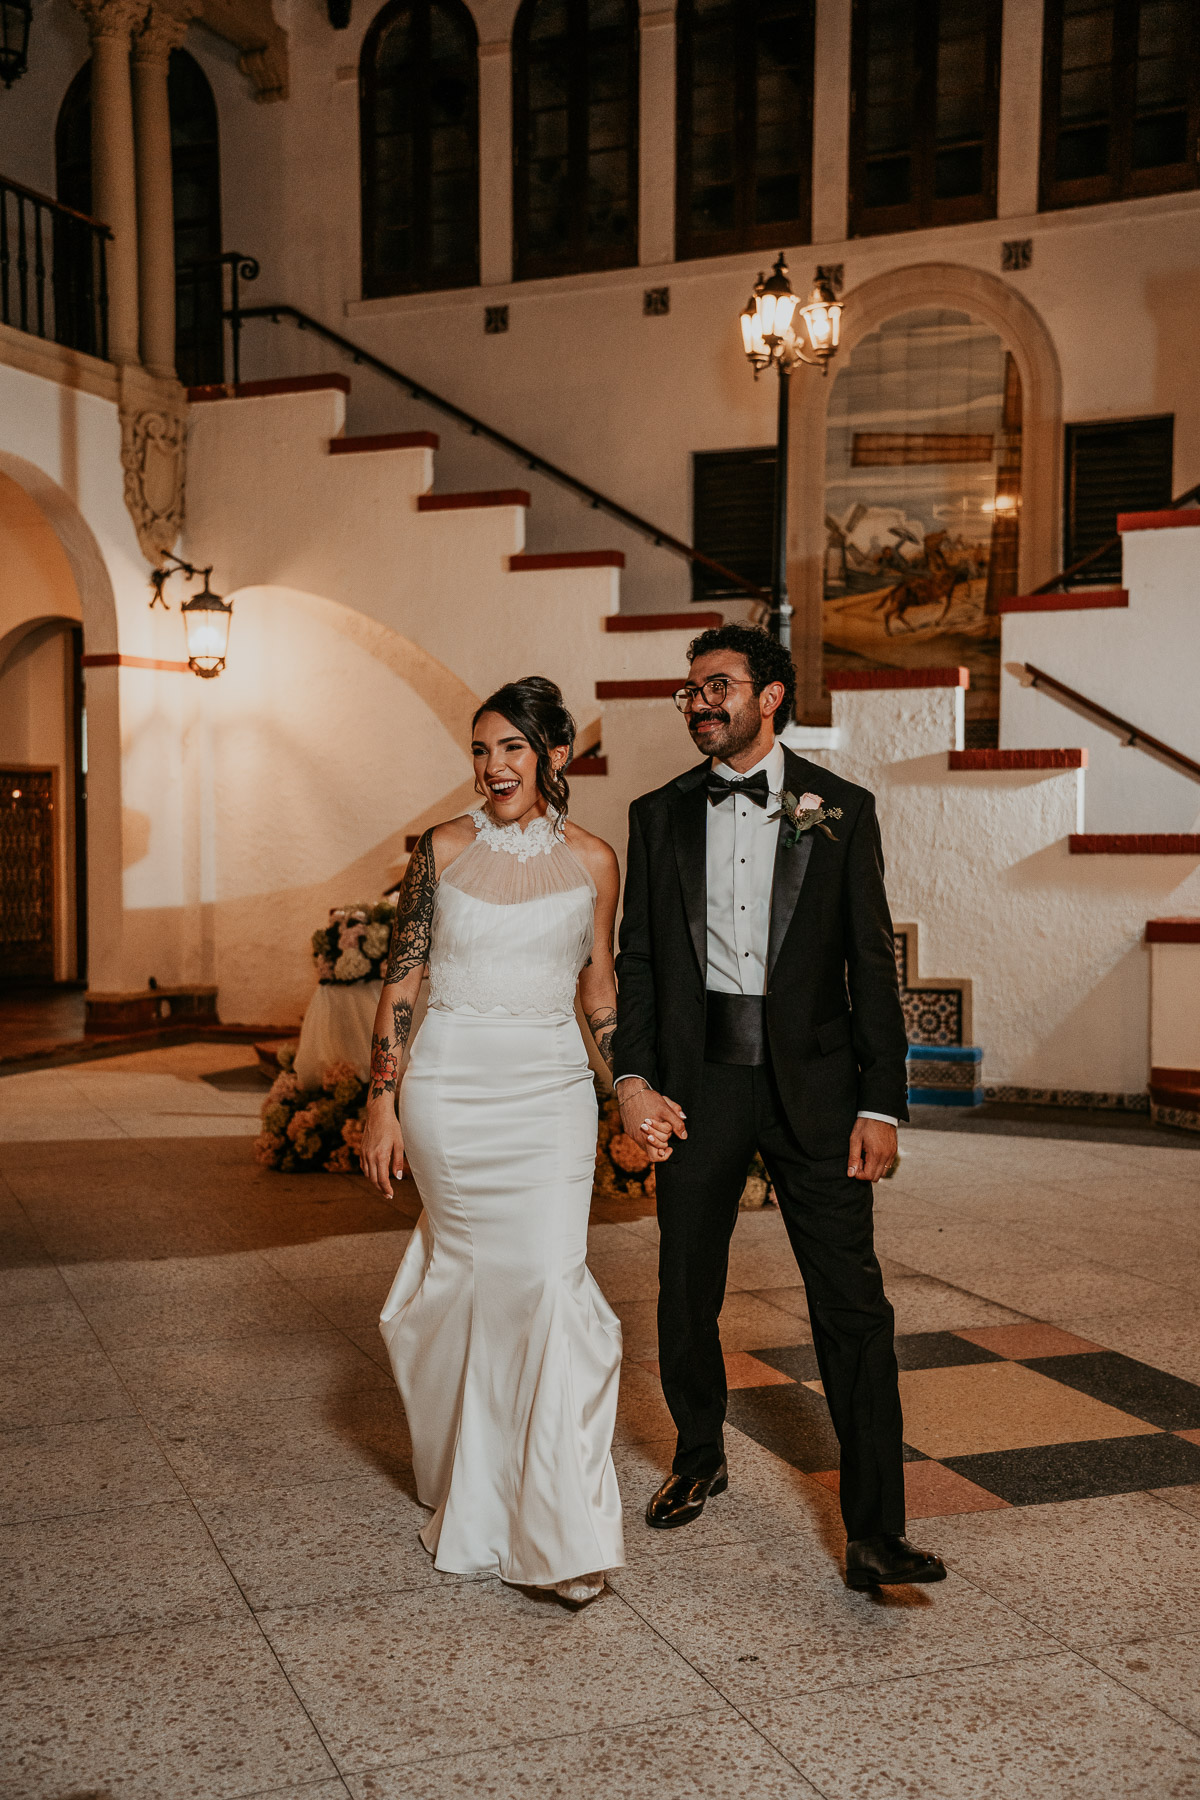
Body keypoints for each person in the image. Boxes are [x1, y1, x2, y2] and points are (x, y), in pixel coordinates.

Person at [611, 624, 946, 1590]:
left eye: (716, 686)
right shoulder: (658, 814)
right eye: (690, 691)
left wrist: (882, 1102)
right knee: (687, 1286)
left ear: (770, 697)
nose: (698, 704)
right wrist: (634, 1080)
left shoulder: (840, 809)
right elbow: (639, 962)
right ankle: (699, 1453)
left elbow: (871, 963)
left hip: (819, 1089)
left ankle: (876, 1529)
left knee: (853, 1304)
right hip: (698, 1082)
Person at [360, 676, 626, 1607]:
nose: (492, 766)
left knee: (548, 1283)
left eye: (511, 746)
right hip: (451, 1087)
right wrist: (383, 1102)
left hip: (551, 1091)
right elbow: (402, 983)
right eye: (480, 750)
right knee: (476, 1278)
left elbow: (599, 991)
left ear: (555, 754)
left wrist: (627, 1086)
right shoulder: (440, 849)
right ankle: (471, 1479)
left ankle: (559, 1529)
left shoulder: (596, 861)